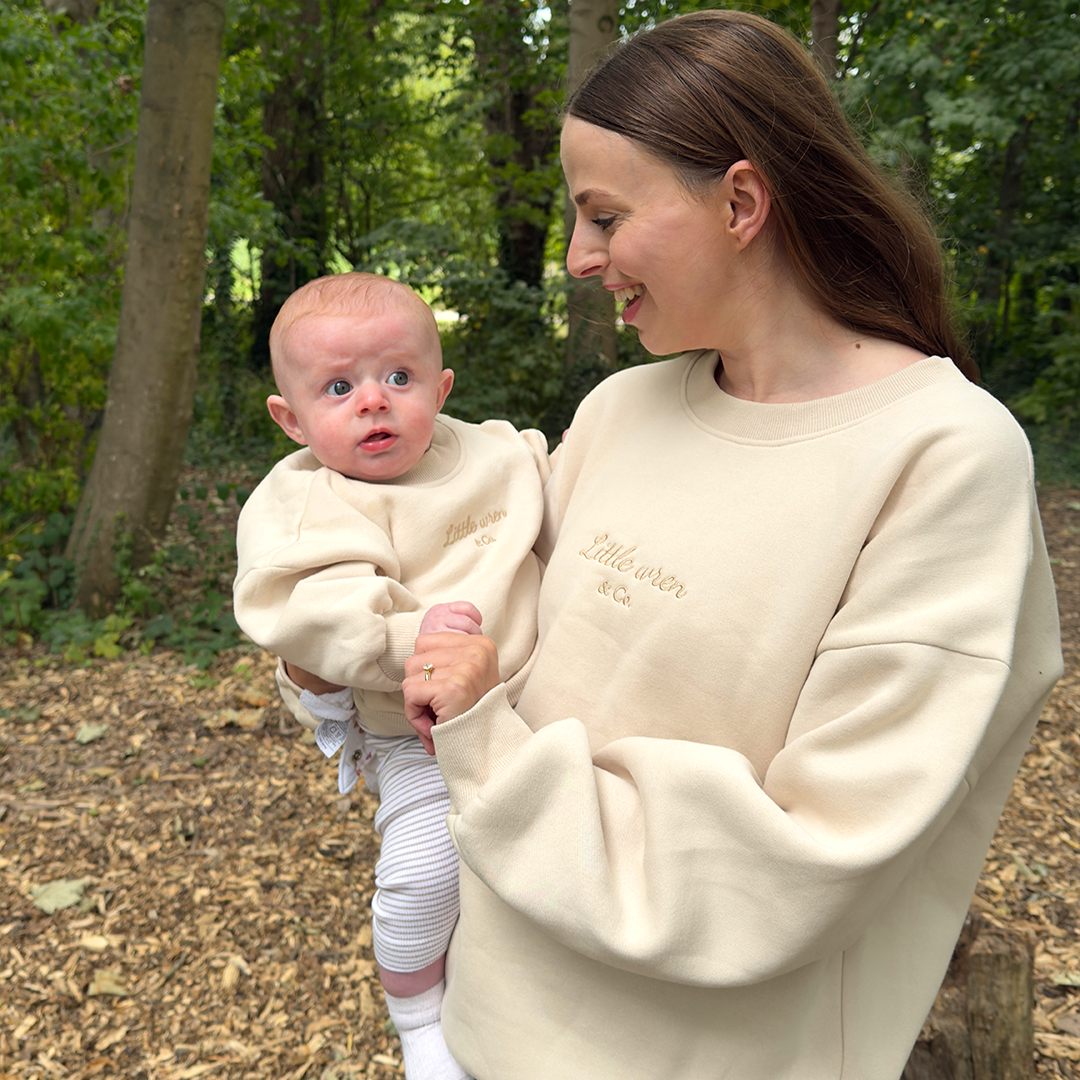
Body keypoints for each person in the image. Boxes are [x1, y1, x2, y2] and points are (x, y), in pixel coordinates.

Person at [397, 11, 1063, 1080]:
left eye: (604, 215)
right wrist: (340, 645)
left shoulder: (943, 455)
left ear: (742, 201)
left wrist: (482, 744)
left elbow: (800, 863)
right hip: (480, 1028)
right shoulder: (621, 410)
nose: (576, 258)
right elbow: (475, 633)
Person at [233, 272, 549, 1080]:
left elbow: (569, 493)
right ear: (290, 418)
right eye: (338, 388)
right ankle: (417, 1017)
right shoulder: (303, 500)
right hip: (415, 738)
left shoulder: (499, 454)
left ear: (441, 387)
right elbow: (302, 610)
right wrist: (415, 636)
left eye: (398, 378)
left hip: (538, 705)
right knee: (423, 872)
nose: (374, 401)